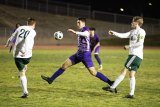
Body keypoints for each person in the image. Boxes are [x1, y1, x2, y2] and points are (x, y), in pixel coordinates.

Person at [41, 17, 114, 89]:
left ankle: (110, 82)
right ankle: (51, 79)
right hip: (78, 54)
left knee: (93, 72)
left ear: (83, 23)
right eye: (77, 22)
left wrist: (75, 32)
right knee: (64, 65)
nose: (77, 23)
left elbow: (86, 34)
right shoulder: (81, 30)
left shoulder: (86, 29)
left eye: (79, 22)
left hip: (85, 55)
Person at [102, 16, 146, 99]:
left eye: (133, 21)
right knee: (131, 74)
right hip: (135, 56)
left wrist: (129, 46)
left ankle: (112, 88)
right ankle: (131, 94)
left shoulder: (141, 31)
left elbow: (140, 43)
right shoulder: (132, 31)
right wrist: (113, 32)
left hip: (135, 55)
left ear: (137, 22)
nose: (131, 23)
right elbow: (123, 35)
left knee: (124, 70)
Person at [7, 18, 36, 98]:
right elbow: (29, 42)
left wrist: (7, 43)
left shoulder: (20, 28)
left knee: (21, 73)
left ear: (27, 23)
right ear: (34, 25)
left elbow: (12, 36)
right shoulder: (33, 32)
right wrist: (26, 51)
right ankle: (24, 67)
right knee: (24, 66)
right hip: (28, 56)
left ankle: (25, 92)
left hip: (18, 56)